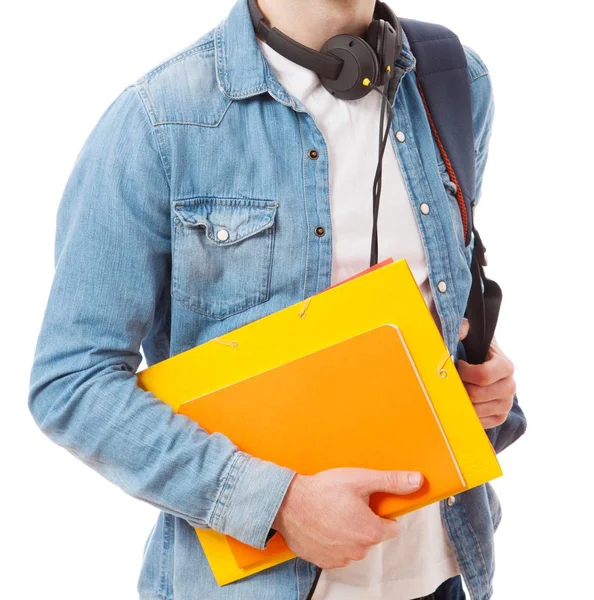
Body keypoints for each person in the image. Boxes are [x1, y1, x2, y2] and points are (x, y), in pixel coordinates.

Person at [27, 0, 527, 599]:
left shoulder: (454, 82)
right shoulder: (161, 122)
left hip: (440, 575)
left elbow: (444, 294)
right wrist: (278, 505)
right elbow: (70, 381)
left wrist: (479, 376)